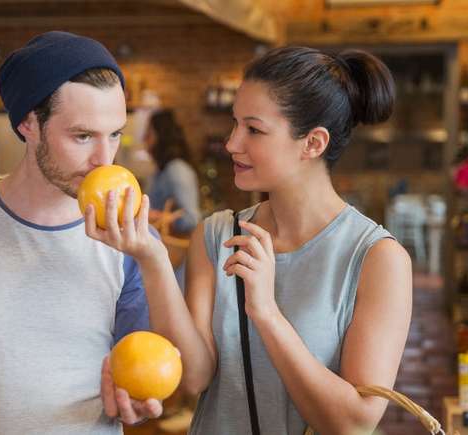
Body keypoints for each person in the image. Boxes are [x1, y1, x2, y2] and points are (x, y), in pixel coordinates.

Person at [95, 46, 413, 434]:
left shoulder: (377, 258)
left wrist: (265, 311)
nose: (231, 143)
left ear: (313, 143)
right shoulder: (216, 235)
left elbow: (352, 423)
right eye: (234, 124)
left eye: (254, 129)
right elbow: (195, 378)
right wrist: (152, 259)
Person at [0, 31, 171, 435]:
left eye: (114, 134)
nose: (104, 159)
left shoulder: (131, 242)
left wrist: (139, 403)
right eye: (82, 136)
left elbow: (140, 371)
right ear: (28, 123)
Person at [144, 109, 201, 237]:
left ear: (161, 136)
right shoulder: (163, 168)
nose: (144, 138)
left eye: (149, 133)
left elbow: (192, 219)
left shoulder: (177, 170)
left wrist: (159, 217)